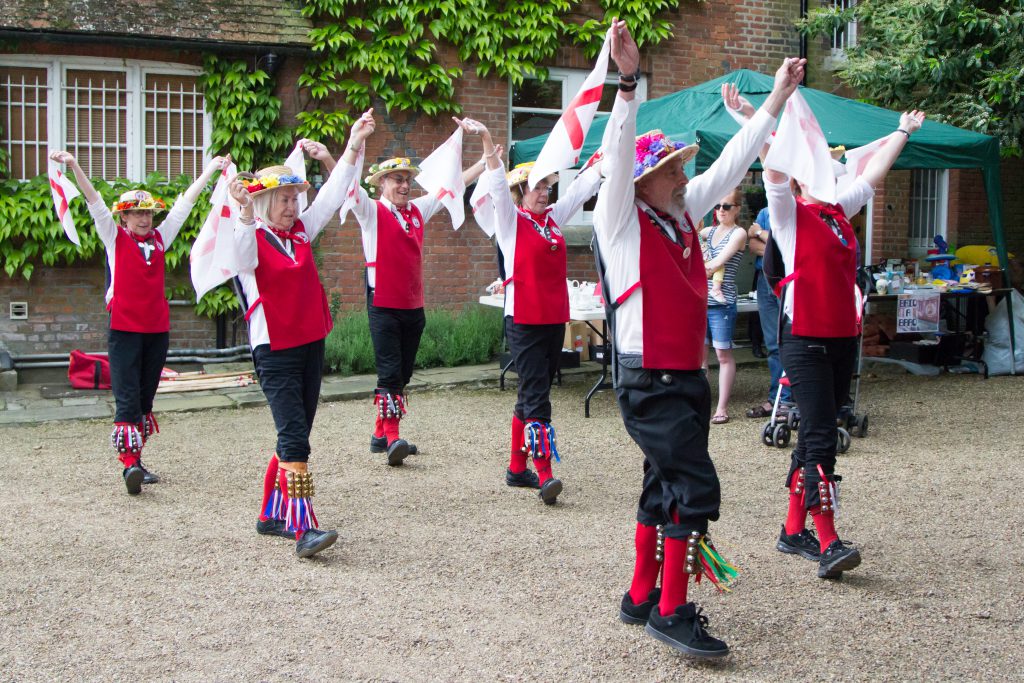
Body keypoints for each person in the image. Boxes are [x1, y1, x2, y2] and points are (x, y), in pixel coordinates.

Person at [593, 19, 805, 657]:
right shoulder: (620, 219)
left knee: (664, 483)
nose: (686, 173)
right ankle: (672, 609)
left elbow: (737, 156)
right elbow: (619, 151)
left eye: (682, 166)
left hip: (682, 374)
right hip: (648, 376)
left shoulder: (680, 214)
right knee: (694, 487)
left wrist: (774, 101)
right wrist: (626, 86)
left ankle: (642, 595)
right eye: (673, 168)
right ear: (641, 181)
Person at [764, 109, 925, 579]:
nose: (837, 174)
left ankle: (793, 531)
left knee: (818, 430)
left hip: (841, 338)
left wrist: (901, 131)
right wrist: (769, 112)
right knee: (818, 439)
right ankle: (828, 538)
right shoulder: (790, 216)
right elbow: (774, 172)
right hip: (805, 338)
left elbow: (875, 172)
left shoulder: (838, 212)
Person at [49, 150, 228, 495]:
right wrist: (73, 166)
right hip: (125, 330)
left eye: (147, 213)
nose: (144, 219)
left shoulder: (161, 238)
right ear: (125, 218)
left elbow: (184, 206)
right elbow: (94, 200)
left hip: (157, 330)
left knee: (146, 399)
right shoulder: (113, 237)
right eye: (137, 214)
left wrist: (210, 170)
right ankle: (129, 464)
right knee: (128, 397)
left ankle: (138, 461)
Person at [227, 122, 368, 559]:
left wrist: (352, 145)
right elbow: (242, 258)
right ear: (266, 201)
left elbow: (332, 193)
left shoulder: (302, 230)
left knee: (297, 430)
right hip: (275, 349)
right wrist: (246, 212)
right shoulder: (248, 236)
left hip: (309, 341)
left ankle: (270, 515)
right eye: (285, 199)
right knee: (295, 439)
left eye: (294, 199)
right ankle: (303, 528)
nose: (292, 206)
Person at [319, 114, 489, 466]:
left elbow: (450, 189)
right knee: (390, 371)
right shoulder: (371, 212)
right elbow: (347, 188)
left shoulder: (417, 211)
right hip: (382, 303)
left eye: (407, 179)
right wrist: (328, 158)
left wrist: (484, 164)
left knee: (405, 372)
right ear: (381, 184)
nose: (404, 185)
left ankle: (380, 432)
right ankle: (394, 438)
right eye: (397, 180)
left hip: (413, 304)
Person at [457, 116, 601, 505]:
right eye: (535, 187)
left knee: (531, 390)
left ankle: (516, 467)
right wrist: (488, 142)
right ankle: (545, 471)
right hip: (522, 318)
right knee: (538, 395)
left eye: (546, 186)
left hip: (554, 316)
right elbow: (497, 189)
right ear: (521, 191)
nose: (543, 192)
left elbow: (583, 186)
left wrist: (605, 156)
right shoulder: (511, 220)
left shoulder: (552, 220)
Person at [701, 189, 748, 424]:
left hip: (722, 301)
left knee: (722, 354)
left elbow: (719, 262)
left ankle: (722, 407)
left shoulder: (738, 233)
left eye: (727, 206)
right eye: (718, 206)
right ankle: (701, 403)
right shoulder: (708, 232)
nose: (721, 210)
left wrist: (701, 269)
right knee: (700, 355)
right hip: (701, 300)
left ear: (737, 209)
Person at [745, 205, 792, 418]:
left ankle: (789, 400)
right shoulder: (765, 212)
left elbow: (793, 248)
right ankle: (777, 398)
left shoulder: (796, 210)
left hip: (789, 281)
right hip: (765, 279)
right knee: (773, 344)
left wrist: (761, 234)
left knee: (791, 341)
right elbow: (753, 246)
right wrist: (777, 247)